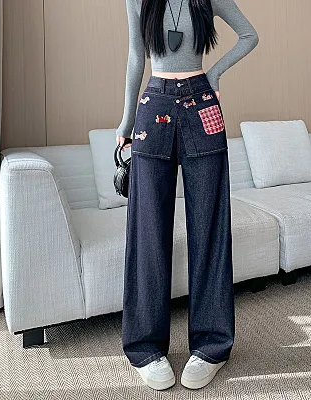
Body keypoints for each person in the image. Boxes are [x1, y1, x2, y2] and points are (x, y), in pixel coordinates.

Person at [116, 0, 259, 391]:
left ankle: (211, 347)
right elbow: (136, 56)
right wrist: (126, 120)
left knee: (210, 230)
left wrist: (214, 73)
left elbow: (250, 35)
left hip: (202, 105)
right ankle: (145, 348)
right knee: (148, 232)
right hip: (153, 106)